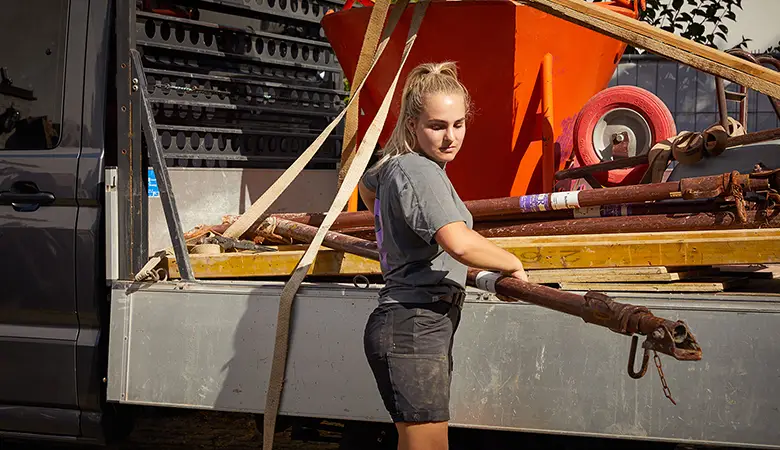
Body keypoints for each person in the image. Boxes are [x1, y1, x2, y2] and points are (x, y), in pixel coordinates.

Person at [358, 61, 529, 450]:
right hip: (414, 323)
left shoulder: (396, 165)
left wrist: (393, 222)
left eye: (459, 124)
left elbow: (368, 189)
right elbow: (460, 243)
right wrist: (512, 264)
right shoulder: (419, 170)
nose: (451, 137)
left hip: (417, 323)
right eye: (437, 126)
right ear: (413, 125)